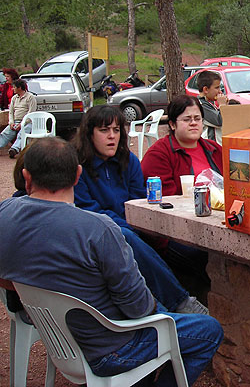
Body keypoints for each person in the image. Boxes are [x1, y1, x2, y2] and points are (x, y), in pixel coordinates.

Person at [0, 137, 223, 386]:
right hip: (110, 349)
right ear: (77, 176)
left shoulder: (5, 213)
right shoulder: (99, 229)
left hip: (58, 341)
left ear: (26, 176)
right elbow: (138, 309)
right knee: (209, 329)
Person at [73, 105, 207, 314]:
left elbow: (139, 201)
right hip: (97, 234)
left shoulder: (128, 161)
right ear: (89, 134)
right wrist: (128, 226)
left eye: (116, 130)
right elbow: (87, 209)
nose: (111, 137)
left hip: (136, 228)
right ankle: (181, 303)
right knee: (125, 236)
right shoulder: (78, 166)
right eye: (104, 130)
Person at [142, 94, 222, 195]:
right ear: (172, 124)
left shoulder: (215, 149)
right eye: (186, 119)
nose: (193, 123)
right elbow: (165, 198)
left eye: (197, 118)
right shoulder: (158, 155)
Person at [0, 79, 37, 159]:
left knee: (22, 134)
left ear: (19, 88)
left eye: (14, 87)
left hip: (27, 122)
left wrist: (22, 123)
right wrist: (11, 123)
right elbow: (11, 112)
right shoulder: (14, 98)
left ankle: (14, 149)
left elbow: (31, 113)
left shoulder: (30, 97)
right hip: (16, 121)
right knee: (5, 133)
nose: (13, 89)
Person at [197, 70, 228, 144]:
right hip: (210, 147)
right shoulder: (201, 105)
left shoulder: (210, 104)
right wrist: (222, 106)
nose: (220, 91)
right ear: (206, 89)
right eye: (217, 88)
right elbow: (219, 121)